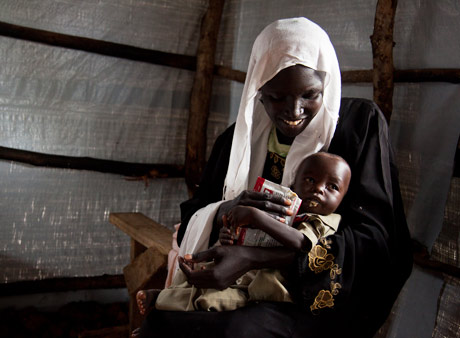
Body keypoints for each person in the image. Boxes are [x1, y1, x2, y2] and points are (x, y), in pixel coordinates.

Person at [136, 17, 412, 338]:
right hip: (238, 286)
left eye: (310, 94)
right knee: (161, 324)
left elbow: (376, 244)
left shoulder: (359, 128)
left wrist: (252, 258)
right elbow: (195, 212)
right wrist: (227, 210)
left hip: (313, 295)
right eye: (278, 97)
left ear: (327, 83)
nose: (294, 111)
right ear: (258, 89)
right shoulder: (236, 142)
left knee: (236, 331)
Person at [144, 152, 351, 312]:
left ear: (342, 198)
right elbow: (253, 239)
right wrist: (231, 237)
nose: (319, 189)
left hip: (262, 288)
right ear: (293, 183)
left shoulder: (324, 220)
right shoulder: (287, 208)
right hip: (244, 271)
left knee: (212, 300)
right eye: (310, 180)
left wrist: (255, 217)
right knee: (194, 273)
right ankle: (163, 297)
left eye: (332, 186)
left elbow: (301, 243)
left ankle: (164, 311)